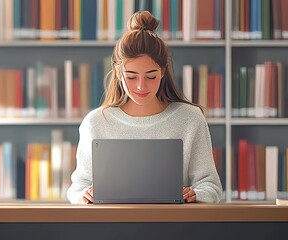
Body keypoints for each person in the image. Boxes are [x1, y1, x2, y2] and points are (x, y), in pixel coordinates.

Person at [67, 11, 223, 204]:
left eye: (151, 76)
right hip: (112, 228)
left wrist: (196, 194)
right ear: (118, 72)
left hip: (175, 228)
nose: (141, 86)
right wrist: (83, 195)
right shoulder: (96, 122)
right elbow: (78, 187)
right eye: (131, 77)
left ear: (163, 71)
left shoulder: (190, 118)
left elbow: (211, 186)